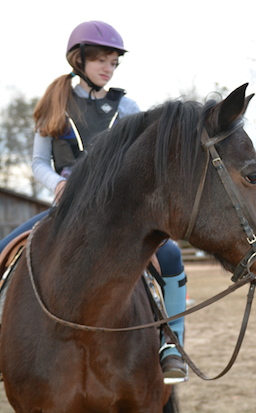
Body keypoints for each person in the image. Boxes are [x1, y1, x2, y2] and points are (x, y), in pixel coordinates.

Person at [0, 21, 188, 383]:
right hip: (67, 209)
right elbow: (39, 162)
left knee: (171, 256)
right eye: (101, 59)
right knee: (4, 250)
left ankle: (171, 344)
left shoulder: (127, 106)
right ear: (79, 60)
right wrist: (57, 184)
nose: (108, 67)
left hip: (119, 213)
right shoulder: (54, 104)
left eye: (114, 62)